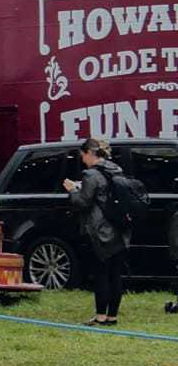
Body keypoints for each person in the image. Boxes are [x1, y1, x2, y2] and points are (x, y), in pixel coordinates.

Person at [64, 137, 131, 325]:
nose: (82, 159)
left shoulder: (91, 175)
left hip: (100, 231)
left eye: (83, 155)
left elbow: (82, 203)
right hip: (120, 228)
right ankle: (113, 316)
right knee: (115, 274)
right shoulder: (116, 169)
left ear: (89, 153)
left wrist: (72, 190)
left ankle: (101, 316)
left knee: (101, 273)